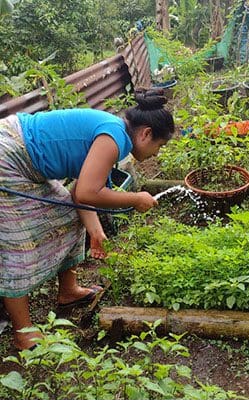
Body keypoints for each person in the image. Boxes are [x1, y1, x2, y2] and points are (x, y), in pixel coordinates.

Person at [0, 89, 174, 350]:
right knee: (19, 243)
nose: (157, 154)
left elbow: (79, 194)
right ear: (146, 133)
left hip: (22, 157)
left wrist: (95, 230)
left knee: (68, 214)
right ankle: (23, 332)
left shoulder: (114, 133)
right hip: (8, 157)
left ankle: (68, 291)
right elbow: (87, 193)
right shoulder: (113, 137)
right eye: (159, 146)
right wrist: (136, 198)